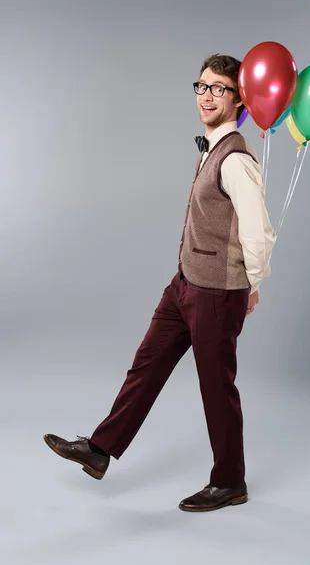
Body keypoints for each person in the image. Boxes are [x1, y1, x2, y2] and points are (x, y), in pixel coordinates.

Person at [43, 54, 276, 512]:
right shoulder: (210, 148)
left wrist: (252, 284)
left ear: (239, 99)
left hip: (216, 293)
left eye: (219, 89)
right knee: (146, 365)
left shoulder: (236, 161)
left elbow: (258, 232)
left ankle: (230, 482)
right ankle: (99, 450)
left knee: (216, 388)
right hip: (185, 283)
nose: (207, 96)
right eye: (202, 86)